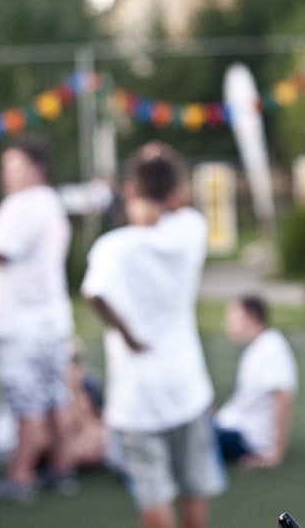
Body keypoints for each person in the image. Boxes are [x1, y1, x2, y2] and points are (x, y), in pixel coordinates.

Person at [81, 142, 226, 528]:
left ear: (129, 190)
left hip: (136, 395)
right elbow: (182, 205)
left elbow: (93, 293)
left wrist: (126, 333)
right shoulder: (191, 230)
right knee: (194, 489)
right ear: (175, 192)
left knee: (154, 494)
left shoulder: (113, 248)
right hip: (187, 384)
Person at [0, 137, 76, 501]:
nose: (9, 175)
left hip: (22, 321)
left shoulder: (23, 204)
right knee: (56, 396)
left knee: (26, 401)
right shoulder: (51, 201)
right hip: (52, 317)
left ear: (36, 169)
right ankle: (62, 468)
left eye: (15, 167)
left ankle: (20, 476)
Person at [213, 294, 297, 469]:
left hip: (245, 438)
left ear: (251, 318)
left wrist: (275, 453)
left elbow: (282, 396)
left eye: (232, 319)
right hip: (232, 427)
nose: (227, 326)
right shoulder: (257, 347)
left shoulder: (271, 346)